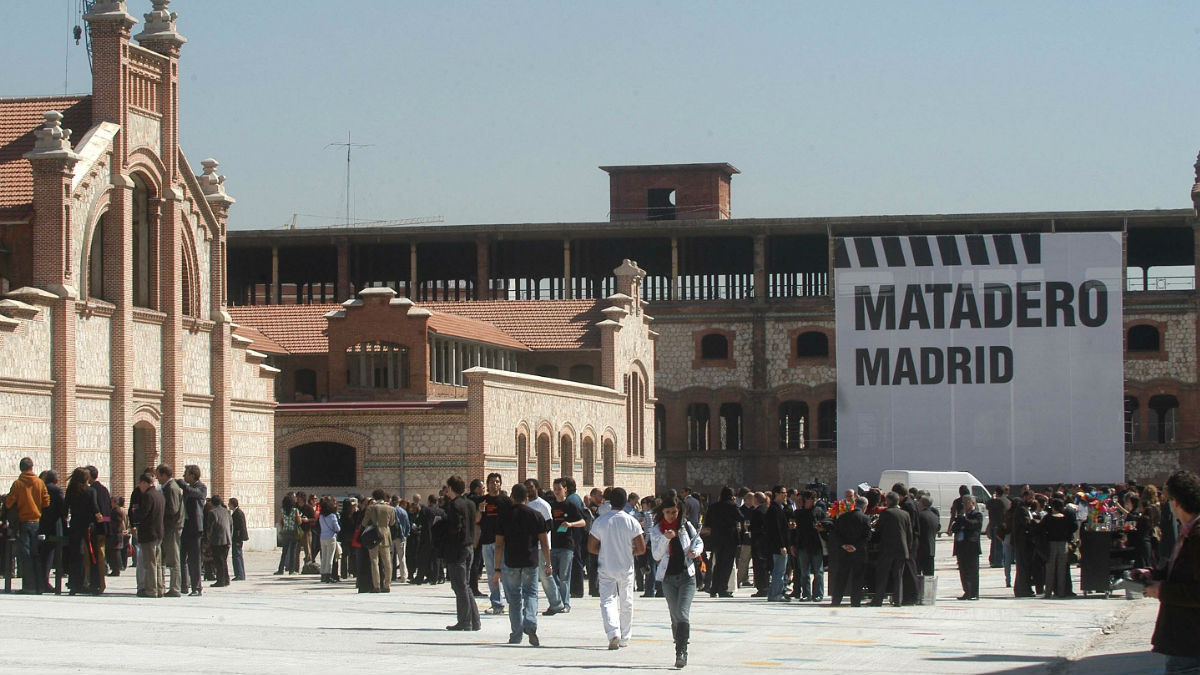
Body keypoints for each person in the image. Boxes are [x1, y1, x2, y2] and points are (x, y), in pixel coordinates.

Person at [1146, 470, 1200, 674]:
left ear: (1176, 502)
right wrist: (1153, 576)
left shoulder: (1196, 536)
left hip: (1190, 643)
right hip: (1183, 641)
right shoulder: (1187, 532)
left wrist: (1162, 590)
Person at [492, 482, 552, 646]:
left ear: (512, 497)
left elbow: (498, 545)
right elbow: (544, 543)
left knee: (514, 598)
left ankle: (516, 634)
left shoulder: (504, 516)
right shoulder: (536, 515)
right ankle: (530, 623)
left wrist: (497, 568)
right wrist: (548, 563)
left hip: (511, 562)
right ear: (527, 497)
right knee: (531, 594)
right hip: (530, 561)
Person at [649, 495, 704, 669]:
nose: (671, 516)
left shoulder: (685, 526)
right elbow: (656, 555)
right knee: (674, 617)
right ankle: (678, 646)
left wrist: (695, 551)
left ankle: (682, 651)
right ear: (662, 513)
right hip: (668, 579)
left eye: (674, 512)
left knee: (682, 613)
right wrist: (667, 538)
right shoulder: (657, 530)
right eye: (667, 512)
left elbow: (698, 541)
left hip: (687, 576)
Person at [588, 487, 647, 650]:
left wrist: (605, 551)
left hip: (606, 566)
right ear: (625, 502)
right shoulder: (631, 521)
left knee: (607, 600)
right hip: (626, 566)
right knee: (626, 601)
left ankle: (613, 632)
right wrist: (629, 551)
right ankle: (625, 637)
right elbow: (641, 548)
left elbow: (591, 546)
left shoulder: (601, 520)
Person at [443, 475, 481, 632]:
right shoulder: (471, 504)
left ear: (451, 488)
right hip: (469, 547)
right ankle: (474, 620)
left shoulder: (453, 506)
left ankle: (465, 621)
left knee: (459, 586)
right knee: (465, 585)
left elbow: (454, 528)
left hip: (457, 549)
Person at [5, 457, 49, 594]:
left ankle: (28, 586)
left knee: (25, 555)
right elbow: (46, 502)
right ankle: (39, 585)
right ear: (32, 467)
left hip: (23, 522)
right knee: (36, 554)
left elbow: (8, 503)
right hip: (36, 521)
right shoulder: (40, 483)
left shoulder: (18, 484)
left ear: (21, 468)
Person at [524, 478, 565, 614]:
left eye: (531, 487)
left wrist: (536, 535)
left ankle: (556, 603)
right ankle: (531, 606)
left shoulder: (542, 505)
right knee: (529, 577)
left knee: (545, 575)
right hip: (529, 547)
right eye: (526, 487)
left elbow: (549, 525)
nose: (529, 490)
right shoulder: (525, 504)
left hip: (541, 547)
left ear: (537, 488)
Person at [547, 478, 586, 614]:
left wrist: (570, 524)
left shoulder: (570, 505)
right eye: (555, 489)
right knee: (551, 576)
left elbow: (583, 522)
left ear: (565, 490)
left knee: (564, 577)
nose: (557, 491)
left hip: (566, 546)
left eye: (559, 489)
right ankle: (556, 602)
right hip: (553, 545)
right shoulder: (550, 506)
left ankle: (565, 604)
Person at [477, 472, 511, 615]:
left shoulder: (505, 501)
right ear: (488, 484)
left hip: (502, 542)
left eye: (497, 481)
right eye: (491, 481)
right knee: (492, 574)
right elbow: (477, 520)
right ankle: (497, 604)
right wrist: (480, 510)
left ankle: (513, 601)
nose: (494, 484)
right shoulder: (483, 501)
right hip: (487, 541)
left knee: (505, 573)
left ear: (500, 484)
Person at [872, 491, 913, 606]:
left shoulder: (886, 513)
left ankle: (878, 599)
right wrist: (908, 548)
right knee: (898, 575)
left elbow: (878, 530)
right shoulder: (905, 514)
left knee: (883, 574)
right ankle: (898, 600)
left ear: (888, 501)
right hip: (902, 549)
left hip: (887, 549)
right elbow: (909, 534)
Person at [829, 496, 871, 607]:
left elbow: (835, 534)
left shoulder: (843, 517)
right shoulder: (865, 519)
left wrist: (844, 545)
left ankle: (836, 600)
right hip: (858, 553)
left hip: (844, 552)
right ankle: (855, 601)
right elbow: (867, 536)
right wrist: (855, 546)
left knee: (841, 577)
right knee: (858, 577)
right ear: (865, 507)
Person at [701, 486, 742, 598]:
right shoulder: (733, 506)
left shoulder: (713, 507)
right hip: (730, 538)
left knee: (718, 564)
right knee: (727, 565)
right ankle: (723, 589)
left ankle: (714, 588)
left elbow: (707, 522)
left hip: (717, 538)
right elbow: (741, 517)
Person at [64, 467, 100, 595]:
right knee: (91, 555)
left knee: (75, 555)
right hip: (88, 526)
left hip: (75, 526)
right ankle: (94, 583)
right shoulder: (91, 491)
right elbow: (95, 509)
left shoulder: (70, 491)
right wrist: (103, 519)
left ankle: (74, 584)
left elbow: (65, 508)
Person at [792, 489, 826, 602]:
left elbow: (826, 523)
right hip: (802, 545)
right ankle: (806, 593)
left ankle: (818, 594)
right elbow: (795, 531)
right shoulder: (798, 513)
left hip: (816, 545)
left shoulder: (818, 511)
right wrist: (793, 545)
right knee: (804, 572)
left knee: (818, 572)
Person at [134, 473, 164, 598]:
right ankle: (159, 588)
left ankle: (151, 589)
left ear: (145, 483)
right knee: (157, 563)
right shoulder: (159, 495)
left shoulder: (147, 496)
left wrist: (136, 512)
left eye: (140, 483)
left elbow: (144, 514)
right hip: (158, 533)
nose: (139, 486)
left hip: (148, 533)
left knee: (149, 563)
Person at [180, 465, 208, 596]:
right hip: (184, 527)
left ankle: (197, 587)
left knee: (194, 559)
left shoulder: (201, 487)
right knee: (182, 558)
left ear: (192, 475)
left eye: (186, 473)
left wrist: (182, 485)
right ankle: (184, 585)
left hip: (195, 528)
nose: (184, 476)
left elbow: (195, 493)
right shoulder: (187, 489)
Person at [362, 488, 397, 592]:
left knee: (374, 561)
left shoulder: (371, 508)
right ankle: (387, 585)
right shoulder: (390, 508)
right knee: (387, 562)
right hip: (385, 536)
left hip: (373, 536)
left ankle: (376, 585)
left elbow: (364, 523)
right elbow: (392, 523)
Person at [157, 464, 185, 596]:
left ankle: (175, 588)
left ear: (164, 475)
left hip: (172, 528)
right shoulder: (167, 487)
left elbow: (173, 509)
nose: (157, 478)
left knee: (174, 559)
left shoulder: (171, 488)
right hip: (168, 527)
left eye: (158, 475)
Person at [37, 469, 66, 593]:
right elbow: (62, 508)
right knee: (52, 554)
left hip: (42, 524)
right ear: (56, 480)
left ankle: (41, 581)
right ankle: (46, 582)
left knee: (43, 554)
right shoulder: (57, 490)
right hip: (55, 526)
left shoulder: (41, 488)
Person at [1040, 497, 1075, 599]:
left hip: (1051, 544)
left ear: (1053, 507)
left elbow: (1041, 528)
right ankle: (1061, 592)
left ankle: (1048, 593)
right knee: (1062, 570)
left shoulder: (1048, 517)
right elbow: (1072, 527)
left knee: (1050, 570)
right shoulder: (1065, 518)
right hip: (1063, 544)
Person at [85, 466, 111, 592]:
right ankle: (102, 583)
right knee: (101, 556)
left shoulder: (91, 490)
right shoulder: (105, 490)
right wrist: (105, 521)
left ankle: (95, 582)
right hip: (104, 528)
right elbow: (108, 512)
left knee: (94, 557)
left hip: (95, 529)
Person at [952, 494, 984, 600]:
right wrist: (960, 520)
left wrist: (964, 520)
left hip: (971, 547)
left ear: (972, 503)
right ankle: (967, 591)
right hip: (961, 546)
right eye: (963, 503)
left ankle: (974, 593)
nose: (964, 505)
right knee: (963, 571)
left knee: (973, 571)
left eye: (967, 502)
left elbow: (974, 525)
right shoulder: (962, 516)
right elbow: (954, 528)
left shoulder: (977, 514)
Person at [764, 485, 792, 602]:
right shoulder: (774, 509)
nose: (785, 495)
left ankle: (774, 593)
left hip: (780, 545)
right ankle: (776, 594)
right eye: (782, 493)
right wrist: (782, 545)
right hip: (778, 546)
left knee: (779, 570)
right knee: (779, 571)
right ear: (776, 494)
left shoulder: (780, 508)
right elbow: (776, 530)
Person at [206, 494, 232, 587]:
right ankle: (226, 579)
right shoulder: (227, 511)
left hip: (217, 540)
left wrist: (208, 539)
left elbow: (210, 527)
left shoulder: (212, 512)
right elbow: (231, 525)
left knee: (218, 561)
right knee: (224, 560)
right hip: (227, 539)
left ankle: (220, 580)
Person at [915, 495, 940, 576]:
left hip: (920, 550)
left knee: (917, 575)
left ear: (922, 503)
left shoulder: (920, 515)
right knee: (929, 576)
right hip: (931, 549)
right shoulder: (935, 516)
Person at [275, 494, 300, 576]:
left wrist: (282, 529)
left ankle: (280, 569)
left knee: (284, 552)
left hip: (285, 532)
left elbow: (279, 521)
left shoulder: (282, 510)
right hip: (293, 532)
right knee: (293, 552)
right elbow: (299, 521)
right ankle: (291, 570)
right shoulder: (295, 510)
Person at [229, 497, 248, 581]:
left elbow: (241, 527)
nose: (228, 505)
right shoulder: (236, 512)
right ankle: (239, 574)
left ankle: (240, 574)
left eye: (229, 504)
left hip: (237, 538)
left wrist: (239, 539)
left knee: (237, 556)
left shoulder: (238, 513)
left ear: (233, 504)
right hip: (236, 538)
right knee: (236, 556)